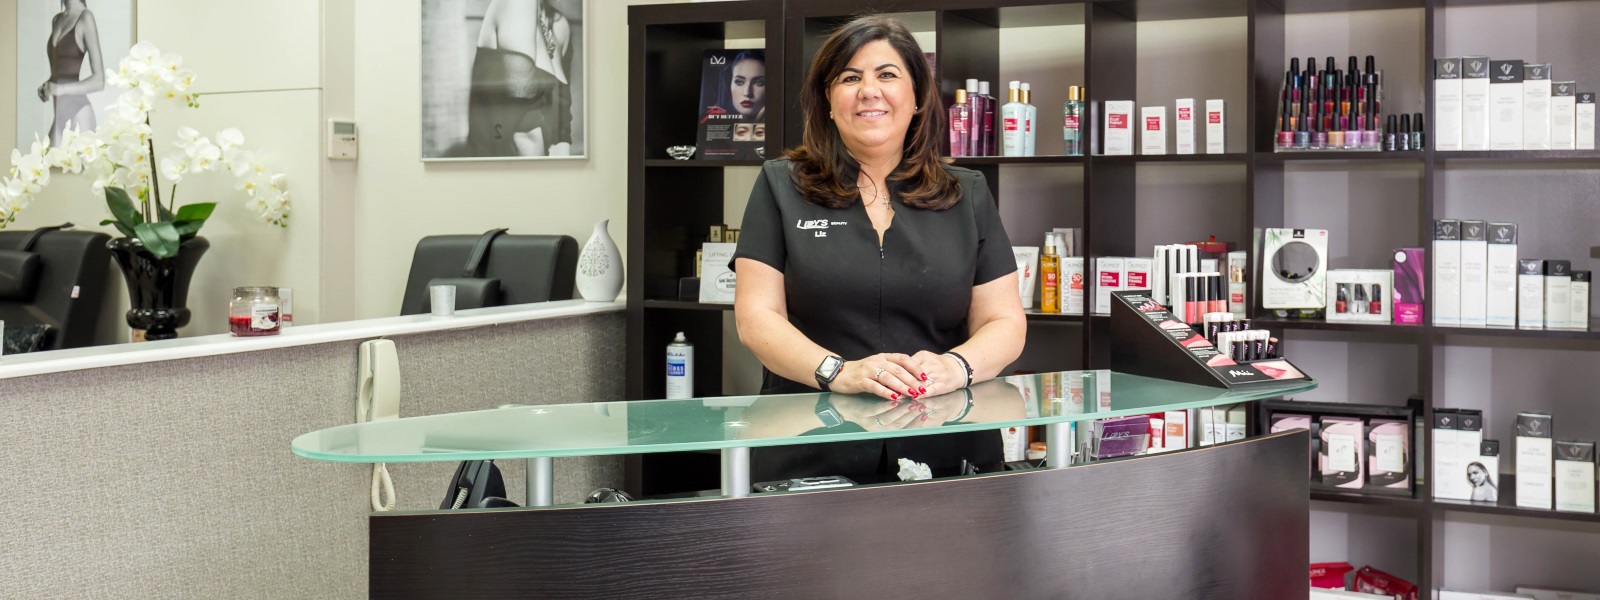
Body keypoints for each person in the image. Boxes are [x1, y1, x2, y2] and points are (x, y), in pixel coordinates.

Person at [731, 16, 1025, 482]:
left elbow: (1004, 322)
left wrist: (956, 368)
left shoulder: (966, 192)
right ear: (828, 101)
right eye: (850, 78)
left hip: (947, 446)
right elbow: (756, 317)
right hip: (810, 447)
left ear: (918, 96)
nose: (869, 90)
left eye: (887, 74)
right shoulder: (780, 185)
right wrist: (839, 372)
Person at [467, 0, 574, 157]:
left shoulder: (560, 25)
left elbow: (561, 135)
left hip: (551, 168)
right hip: (508, 168)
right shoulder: (516, 4)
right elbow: (524, 135)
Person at [39, 0, 105, 146]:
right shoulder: (57, 19)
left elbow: (99, 81)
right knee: (44, 158)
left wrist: (59, 89)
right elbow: (61, 71)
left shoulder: (85, 17)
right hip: (59, 114)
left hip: (79, 115)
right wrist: (48, 86)